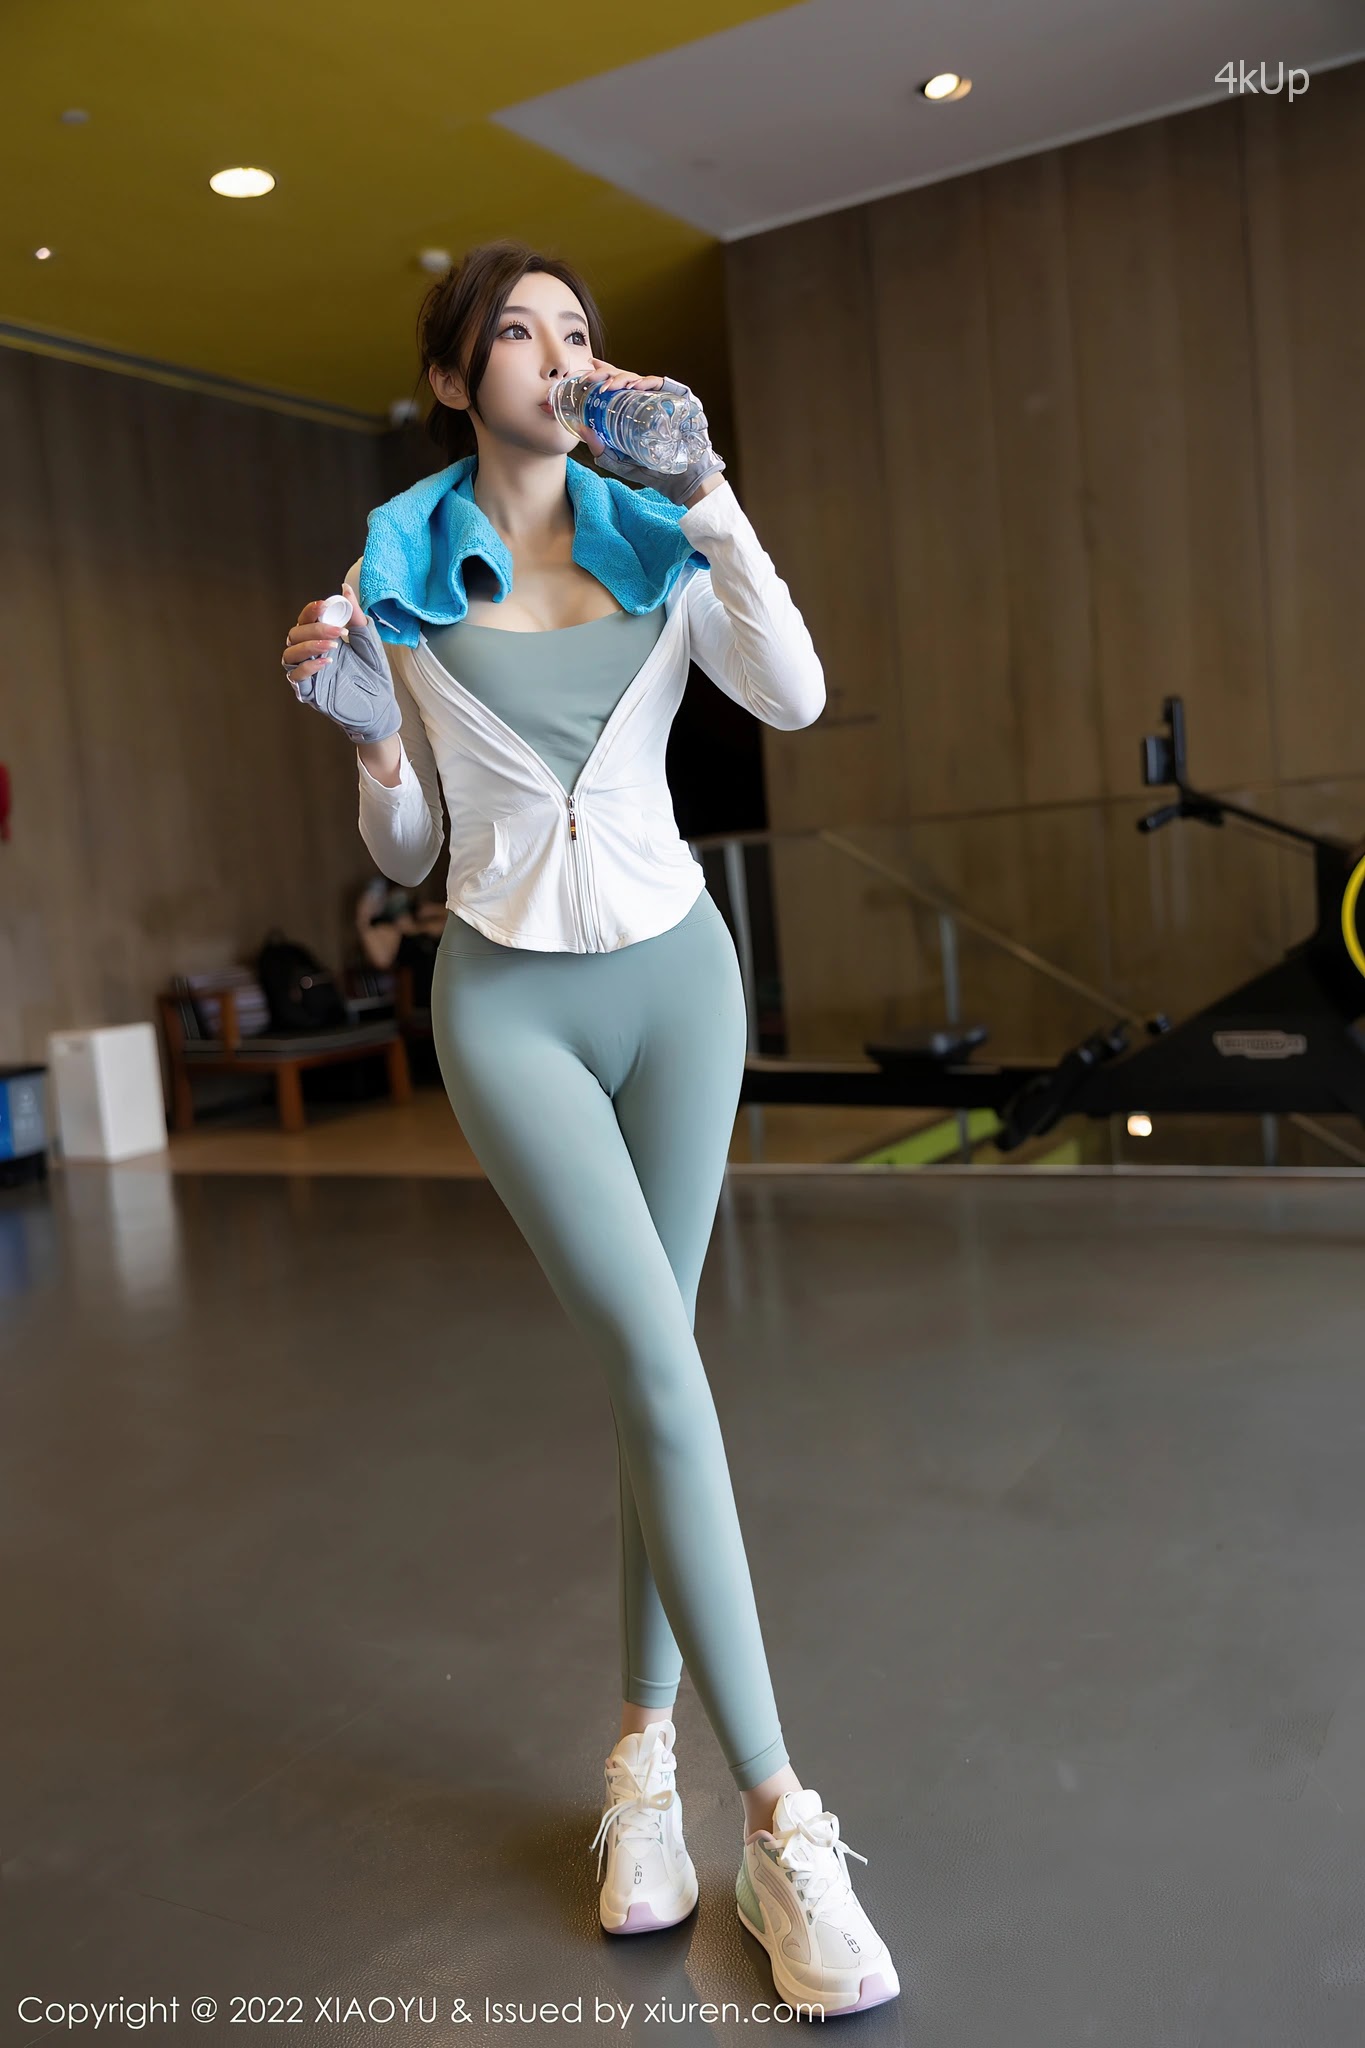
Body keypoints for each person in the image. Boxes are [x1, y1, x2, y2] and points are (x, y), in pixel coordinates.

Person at [279, 240, 900, 2018]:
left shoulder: (656, 529)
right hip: (508, 1005)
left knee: (656, 1379)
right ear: (453, 379)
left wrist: (712, 499)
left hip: (680, 981)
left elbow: (794, 696)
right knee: (659, 1368)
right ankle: (778, 1821)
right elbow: (411, 850)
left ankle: (641, 1764)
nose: (556, 353)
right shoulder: (394, 568)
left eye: (578, 331)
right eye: (516, 331)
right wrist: (369, 749)